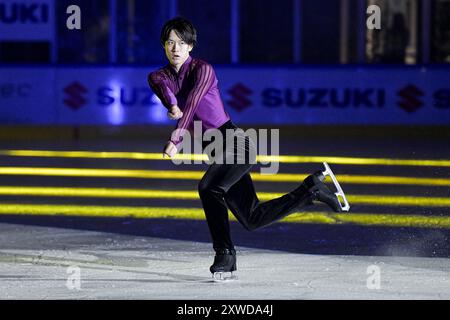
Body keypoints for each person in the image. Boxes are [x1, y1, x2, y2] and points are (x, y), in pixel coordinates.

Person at [148, 17, 348, 280]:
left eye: (182, 43)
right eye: (171, 42)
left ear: (191, 47)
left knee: (209, 188)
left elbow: (194, 101)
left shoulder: (203, 69)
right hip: (216, 151)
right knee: (252, 217)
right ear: (164, 45)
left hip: (235, 142)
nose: (176, 48)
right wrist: (172, 106)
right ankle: (310, 190)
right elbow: (165, 90)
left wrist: (177, 138)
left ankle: (224, 253)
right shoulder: (157, 76)